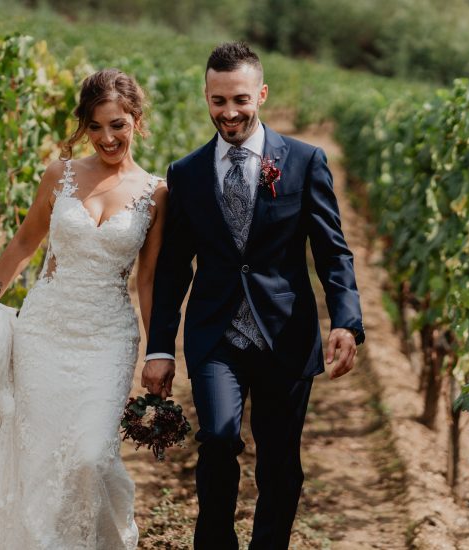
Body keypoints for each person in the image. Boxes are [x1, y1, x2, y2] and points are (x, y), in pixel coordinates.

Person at [0, 68, 167, 549]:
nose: (106, 137)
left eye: (117, 125)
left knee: (90, 455)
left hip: (107, 335)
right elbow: (26, 241)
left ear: (136, 119)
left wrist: (160, 352)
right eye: (95, 126)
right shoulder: (60, 174)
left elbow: (147, 279)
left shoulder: (156, 192)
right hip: (44, 329)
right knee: (42, 456)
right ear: (83, 127)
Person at [142, 42, 364, 549]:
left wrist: (346, 321)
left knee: (280, 463)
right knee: (218, 439)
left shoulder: (305, 161)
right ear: (206, 97)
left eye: (240, 99)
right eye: (218, 101)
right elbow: (173, 270)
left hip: (284, 334)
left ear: (260, 94)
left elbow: (334, 252)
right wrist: (159, 348)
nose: (229, 112)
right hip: (216, 334)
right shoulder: (187, 173)